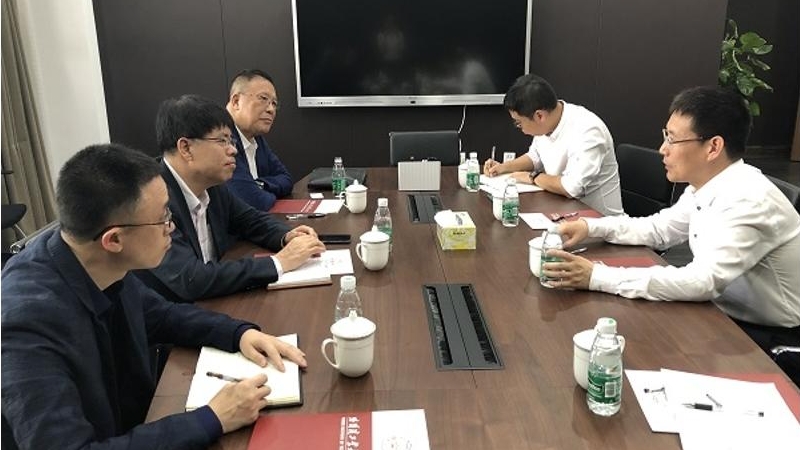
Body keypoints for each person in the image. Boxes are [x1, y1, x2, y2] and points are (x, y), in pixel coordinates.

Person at [1, 144, 308, 449]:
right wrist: (211, 419)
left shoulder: (97, 261)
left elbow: (161, 315)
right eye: (162, 217)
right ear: (114, 239)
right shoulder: (26, 324)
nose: (171, 227)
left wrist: (238, 333)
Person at [542, 86, 800, 380]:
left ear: (713, 147)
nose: (662, 149)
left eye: (673, 139)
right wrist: (590, 227)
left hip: (769, 338)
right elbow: (659, 229)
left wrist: (596, 276)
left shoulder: (749, 200)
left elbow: (702, 281)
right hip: (720, 311)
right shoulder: (708, 183)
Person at [136, 94, 325, 302]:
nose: (233, 149)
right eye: (222, 140)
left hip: (211, 303)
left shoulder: (212, 186)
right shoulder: (151, 200)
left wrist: (287, 236)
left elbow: (250, 220)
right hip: (170, 314)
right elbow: (191, 279)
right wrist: (279, 262)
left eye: (231, 140)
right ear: (186, 148)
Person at [483, 74, 624, 216]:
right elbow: (535, 157)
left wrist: (532, 177)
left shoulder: (588, 130)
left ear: (539, 116)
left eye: (519, 123)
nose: (519, 128)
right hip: (563, 210)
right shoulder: (548, 122)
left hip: (600, 221)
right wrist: (503, 167)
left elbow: (571, 188)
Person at [226, 69, 293, 210]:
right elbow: (255, 201)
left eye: (274, 103)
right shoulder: (221, 139)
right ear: (236, 101)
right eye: (263, 99)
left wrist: (260, 184)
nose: (271, 110)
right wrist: (259, 191)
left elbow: (286, 179)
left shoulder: (255, 137)